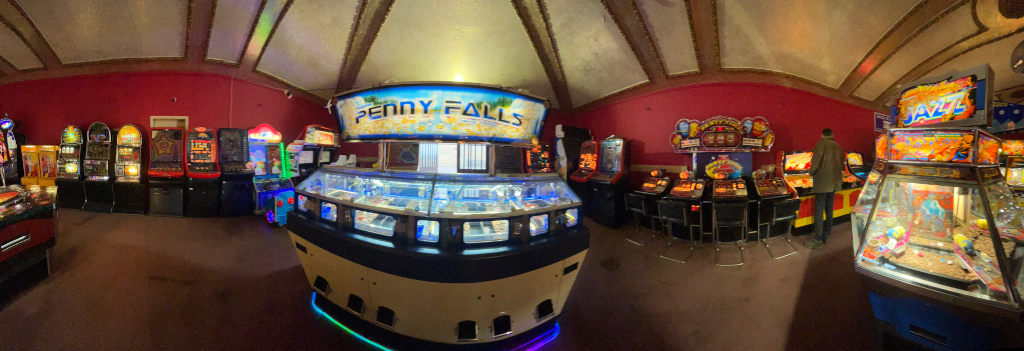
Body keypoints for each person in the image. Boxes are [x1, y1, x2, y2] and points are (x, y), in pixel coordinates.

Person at [804, 128, 844, 250]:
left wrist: (810, 173)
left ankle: (818, 239)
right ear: (832, 135)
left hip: (822, 183)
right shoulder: (838, 147)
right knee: (829, 209)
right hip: (834, 182)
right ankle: (827, 233)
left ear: (822, 135)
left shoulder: (820, 145)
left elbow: (815, 164)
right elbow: (842, 165)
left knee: (819, 210)